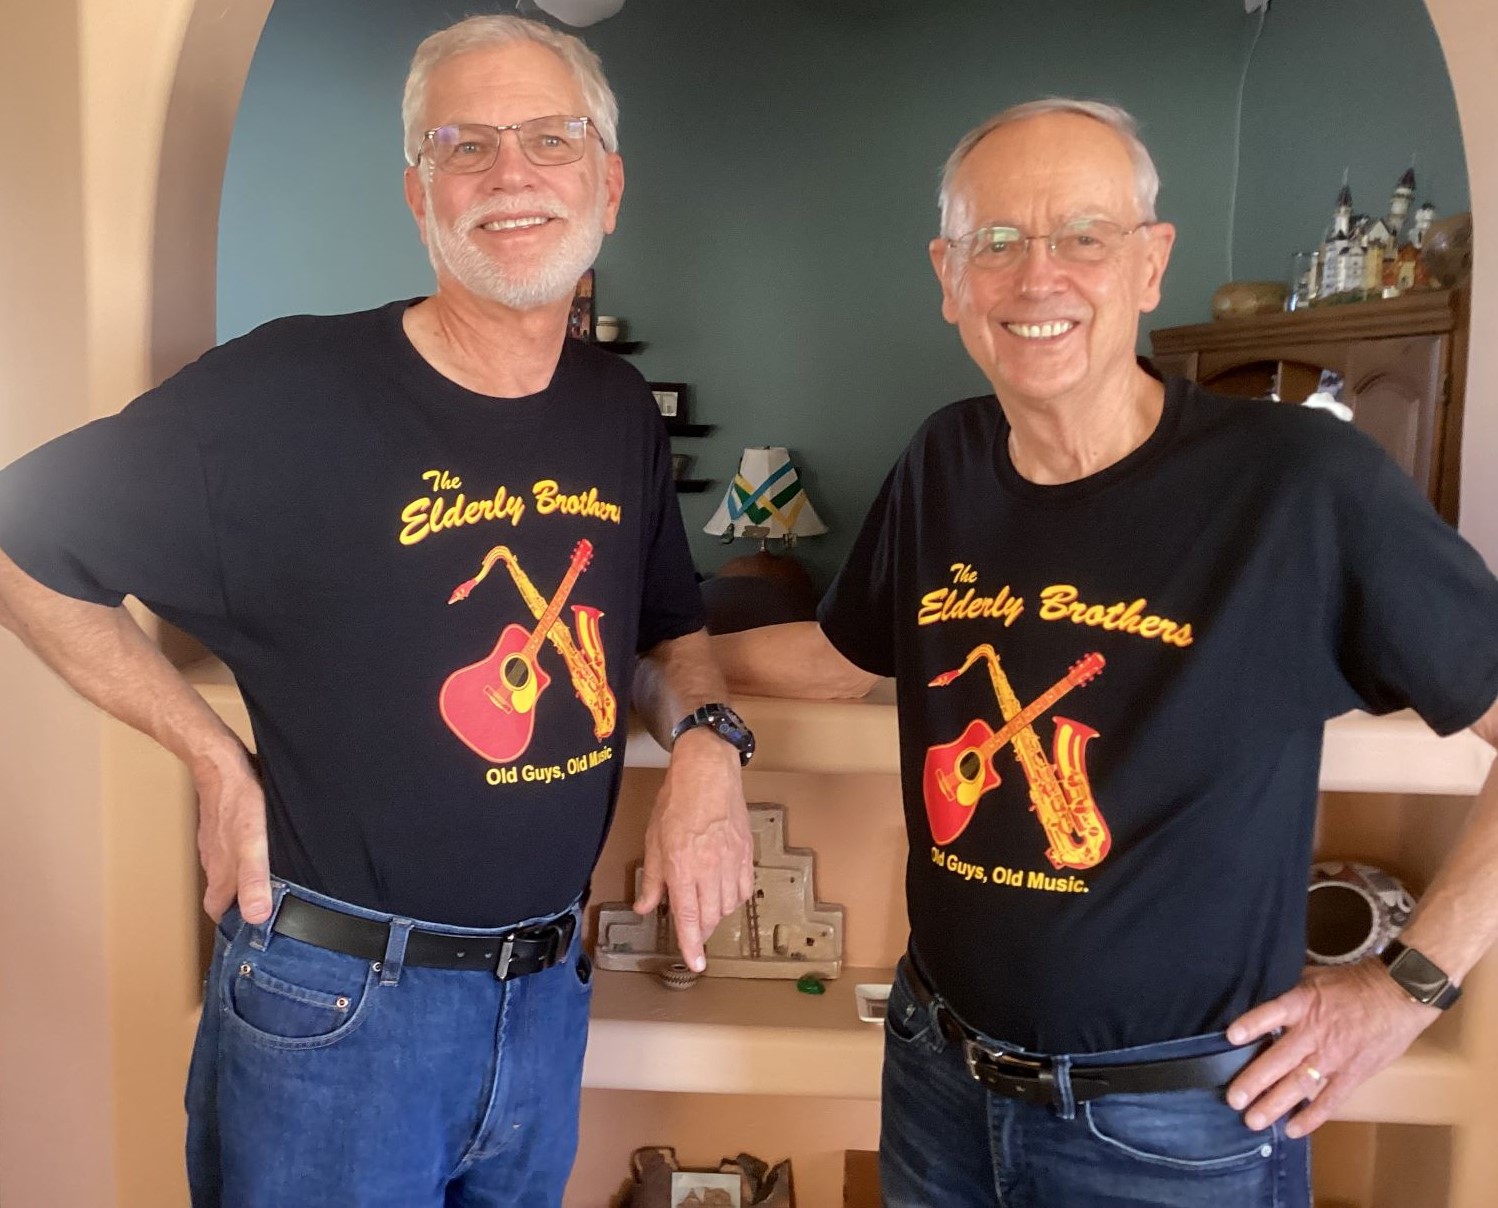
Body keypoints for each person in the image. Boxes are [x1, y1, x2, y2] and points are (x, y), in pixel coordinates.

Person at [0, 15, 757, 1207]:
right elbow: (24, 539)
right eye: (466, 146)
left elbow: (668, 638)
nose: (511, 175)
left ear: (606, 182)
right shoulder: (283, 393)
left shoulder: (617, 408)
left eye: (550, 139)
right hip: (336, 1006)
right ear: (418, 191)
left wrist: (711, 748)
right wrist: (208, 755)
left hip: (547, 996)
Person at [713, 98, 1498, 1207]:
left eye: (1083, 235)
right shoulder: (944, 460)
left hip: (1179, 1121)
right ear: (950, 277)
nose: (1039, 277)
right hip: (939, 1079)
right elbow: (846, 657)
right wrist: (668, 665)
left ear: (1150, 264)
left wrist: (1406, 984)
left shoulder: (1300, 483)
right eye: (998, 242)